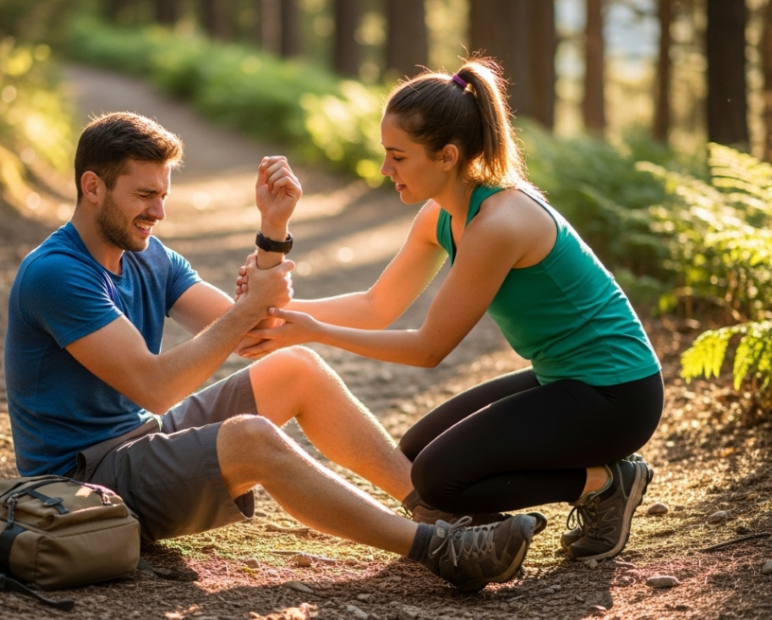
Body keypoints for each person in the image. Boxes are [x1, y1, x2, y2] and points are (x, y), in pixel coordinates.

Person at [3, 111, 541, 593]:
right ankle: (439, 550)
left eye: (163, 194)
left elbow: (259, 330)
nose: (159, 212)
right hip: (81, 485)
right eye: (144, 195)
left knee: (296, 367)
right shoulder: (57, 274)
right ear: (91, 187)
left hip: (140, 441)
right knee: (252, 439)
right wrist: (245, 310)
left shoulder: (149, 255)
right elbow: (154, 385)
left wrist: (274, 226)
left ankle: (439, 511)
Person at [238, 57, 664, 563]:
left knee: (437, 481)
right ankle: (491, 526)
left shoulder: (500, 223)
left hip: (617, 396)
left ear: (446, 156)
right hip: (566, 377)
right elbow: (377, 305)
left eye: (397, 156)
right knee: (414, 458)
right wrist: (279, 312)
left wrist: (313, 333)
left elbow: (428, 349)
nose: (384, 169)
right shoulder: (441, 214)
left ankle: (606, 482)